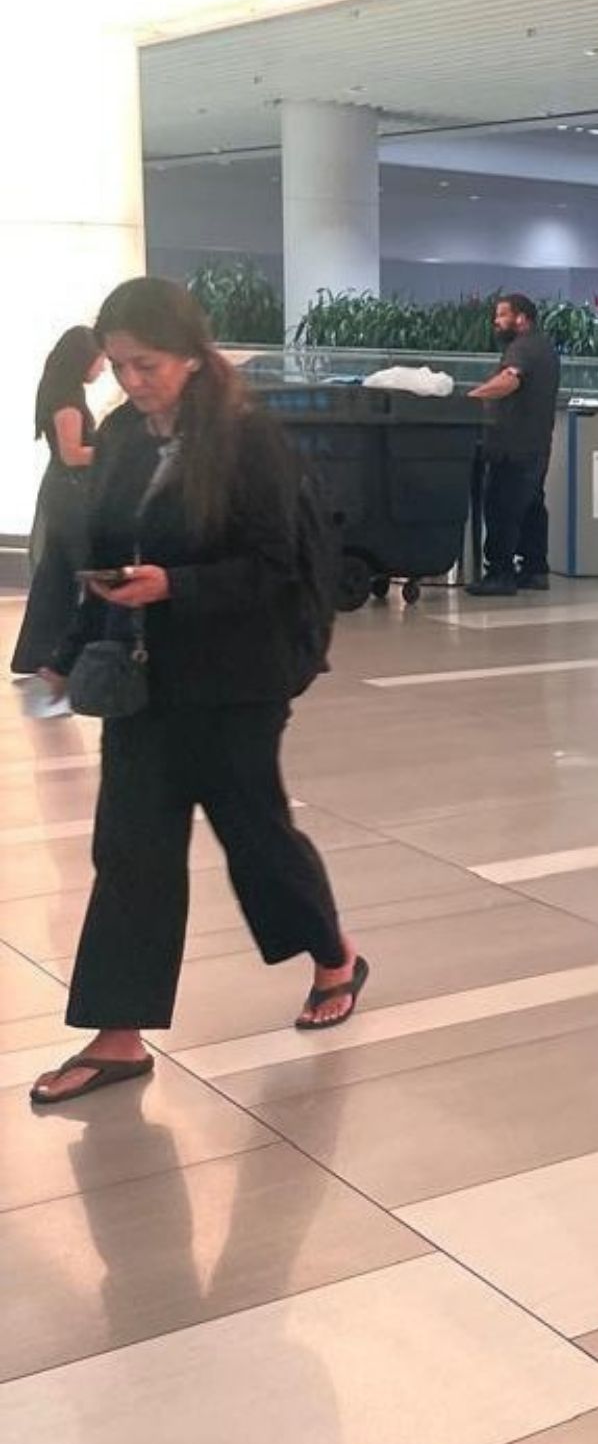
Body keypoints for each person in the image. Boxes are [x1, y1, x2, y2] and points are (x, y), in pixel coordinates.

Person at [28, 278, 366, 1108]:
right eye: (119, 366)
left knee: (255, 835)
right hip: (143, 677)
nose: (131, 381)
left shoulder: (247, 439)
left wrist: (173, 585)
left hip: (237, 678)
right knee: (130, 849)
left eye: (146, 364)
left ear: (188, 355)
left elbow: (275, 565)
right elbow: (102, 548)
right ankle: (117, 1033)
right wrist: (69, 649)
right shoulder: (121, 436)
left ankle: (335, 956)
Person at [11, 327, 106, 708]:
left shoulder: (60, 391)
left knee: (54, 574)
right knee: (85, 566)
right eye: (100, 360)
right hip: (71, 492)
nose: (103, 367)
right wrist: (113, 449)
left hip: (61, 490)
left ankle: (37, 654)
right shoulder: (68, 399)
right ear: (84, 358)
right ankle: (78, 650)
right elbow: (72, 454)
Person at [466, 292, 559, 596]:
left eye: (502, 315)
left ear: (521, 318)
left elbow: (509, 380)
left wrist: (471, 398)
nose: (496, 321)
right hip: (536, 445)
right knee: (531, 507)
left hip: (513, 448)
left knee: (501, 508)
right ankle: (535, 570)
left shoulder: (523, 348)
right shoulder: (544, 347)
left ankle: (500, 574)